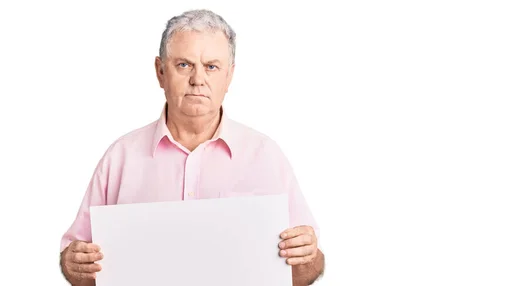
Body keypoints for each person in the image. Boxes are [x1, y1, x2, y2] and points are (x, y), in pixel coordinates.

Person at [58, 9, 325, 286]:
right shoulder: (120, 157)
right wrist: (72, 262)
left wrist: (307, 255)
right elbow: (78, 263)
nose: (198, 79)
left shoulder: (266, 156)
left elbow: (306, 269)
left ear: (229, 76)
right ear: (160, 72)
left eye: (211, 66)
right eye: (184, 65)